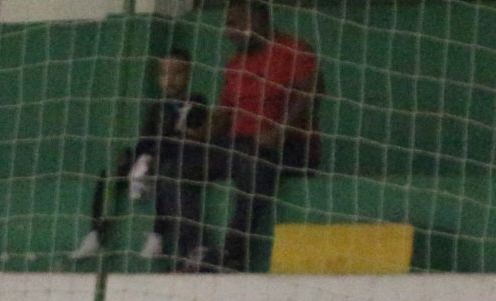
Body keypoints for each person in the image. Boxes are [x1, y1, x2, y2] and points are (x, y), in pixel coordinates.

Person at [72, 47, 212, 269]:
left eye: (177, 74)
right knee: (108, 173)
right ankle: (96, 233)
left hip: (177, 157)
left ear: (188, 75)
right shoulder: (157, 107)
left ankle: (157, 234)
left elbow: (190, 136)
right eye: (165, 74)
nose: (170, 80)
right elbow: (146, 139)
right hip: (151, 158)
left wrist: (158, 153)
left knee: (167, 174)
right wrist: (135, 157)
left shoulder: (196, 102)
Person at [212, 2, 321, 275]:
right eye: (228, 24)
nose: (229, 31)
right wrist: (196, 136)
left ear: (258, 22)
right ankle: (191, 251)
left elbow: (312, 94)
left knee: (253, 158)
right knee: (178, 165)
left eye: (235, 23)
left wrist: (279, 132)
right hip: (241, 145)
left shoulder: (295, 50)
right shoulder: (235, 64)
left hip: (292, 145)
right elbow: (224, 114)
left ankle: (233, 254)